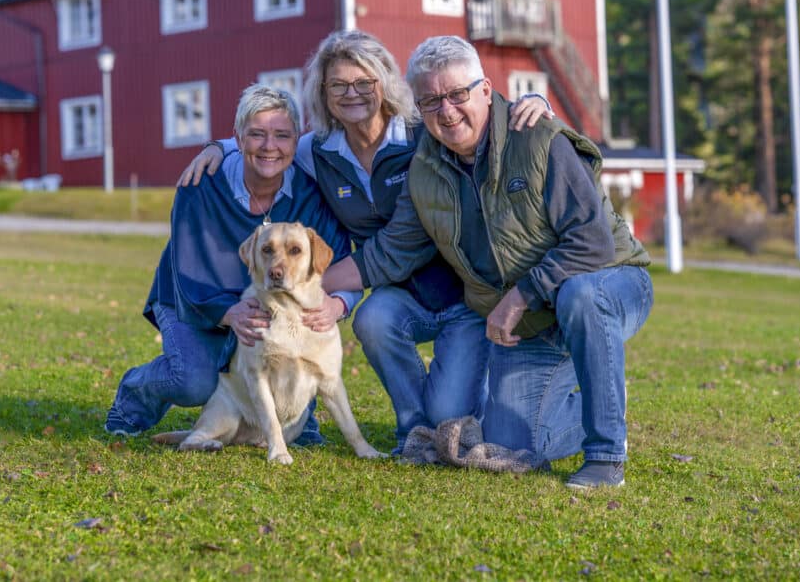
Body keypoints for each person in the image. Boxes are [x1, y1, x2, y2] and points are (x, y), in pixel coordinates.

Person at [178, 30, 553, 454]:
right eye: (338, 84)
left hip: (463, 295)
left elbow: (472, 119)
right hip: (398, 294)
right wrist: (221, 147)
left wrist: (536, 103)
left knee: (451, 409)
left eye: (364, 82)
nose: (352, 93)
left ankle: (459, 408)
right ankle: (414, 434)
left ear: (385, 83)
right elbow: (270, 143)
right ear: (324, 93)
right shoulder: (318, 150)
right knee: (371, 318)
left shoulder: (420, 135)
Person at [323, 35, 653, 488]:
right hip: (533, 324)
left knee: (580, 293)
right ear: (418, 107)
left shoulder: (537, 137)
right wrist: (303, 289)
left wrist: (520, 295)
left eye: (458, 94)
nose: (447, 110)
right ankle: (605, 396)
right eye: (432, 100)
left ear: (485, 89)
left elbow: (592, 243)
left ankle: (605, 453)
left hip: (609, 283)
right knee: (507, 441)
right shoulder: (425, 169)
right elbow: (391, 252)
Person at [105, 84, 360, 441]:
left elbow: (341, 263)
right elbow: (188, 273)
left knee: (291, 328)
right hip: (192, 301)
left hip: (265, 307)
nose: (269, 146)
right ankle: (134, 396)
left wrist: (339, 303)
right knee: (193, 381)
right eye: (256, 134)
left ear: (296, 141)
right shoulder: (201, 185)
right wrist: (229, 313)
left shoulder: (309, 193)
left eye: (281, 136)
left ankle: (298, 419)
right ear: (238, 138)